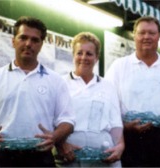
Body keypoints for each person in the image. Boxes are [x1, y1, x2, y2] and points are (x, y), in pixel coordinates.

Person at [0, 16, 75, 167]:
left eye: (35, 40)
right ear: (13, 40)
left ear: (41, 44)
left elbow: (67, 121)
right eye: (23, 37)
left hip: (39, 158)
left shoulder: (56, 81)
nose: (28, 44)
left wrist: (55, 137)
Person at [104, 16, 160, 167]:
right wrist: (124, 126)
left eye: (151, 33)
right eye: (142, 32)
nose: (146, 37)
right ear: (134, 35)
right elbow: (106, 102)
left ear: (159, 36)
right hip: (131, 139)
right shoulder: (119, 66)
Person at [55, 32, 124, 167]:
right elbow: (50, 120)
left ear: (97, 57)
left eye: (89, 54)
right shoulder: (59, 83)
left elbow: (115, 123)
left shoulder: (108, 86)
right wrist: (61, 144)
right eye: (79, 53)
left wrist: (120, 146)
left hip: (104, 155)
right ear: (73, 55)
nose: (84, 57)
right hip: (70, 154)